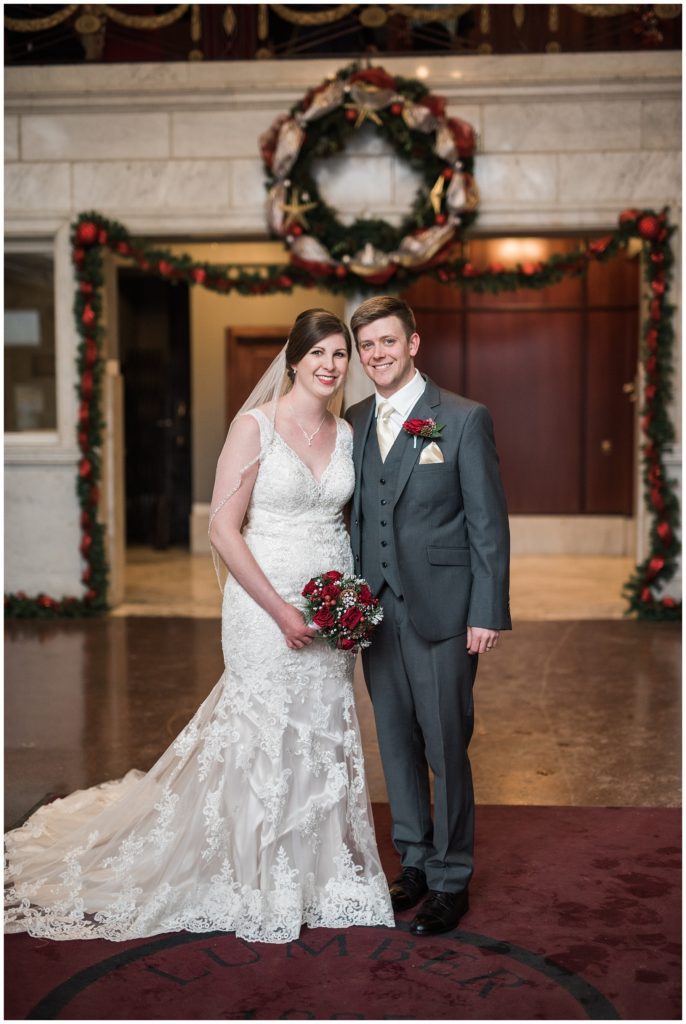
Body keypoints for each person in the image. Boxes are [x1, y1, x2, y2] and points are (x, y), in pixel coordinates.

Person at [5, 308, 394, 943]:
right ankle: (254, 876)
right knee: (263, 734)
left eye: (339, 355)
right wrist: (278, 609)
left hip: (329, 613)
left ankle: (318, 875)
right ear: (292, 360)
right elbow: (221, 527)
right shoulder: (254, 427)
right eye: (318, 353)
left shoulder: (346, 434)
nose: (329, 366)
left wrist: (345, 602)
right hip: (264, 605)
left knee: (322, 732)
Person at [346, 295, 511, 936]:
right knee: (395, 743)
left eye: (388, 341)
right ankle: (413, 862)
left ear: (414, 343)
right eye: (367, 346)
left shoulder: (463, 420)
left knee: (446, 743)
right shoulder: (355, 420)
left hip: (444, 611)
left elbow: (487, 524)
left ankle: (451, 877)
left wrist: (486, 610)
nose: (377, 354)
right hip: (375, 614)